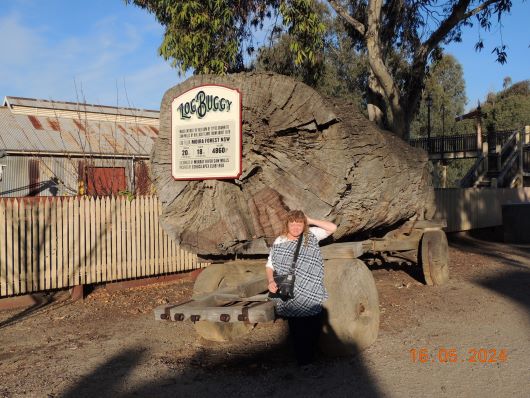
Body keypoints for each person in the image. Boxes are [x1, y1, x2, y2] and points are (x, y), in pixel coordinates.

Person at [265, 210, 337, 367]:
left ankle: (310, 354)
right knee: (297, 328)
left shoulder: (311, 235)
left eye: (300, 223)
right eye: (293, 223)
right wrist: (270, 280)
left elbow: (332, 228)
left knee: (314, 324)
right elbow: (270, 264)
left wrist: (310, 219)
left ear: (304, 225)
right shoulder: (279, 241)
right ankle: (303, 361)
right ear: (287, 224)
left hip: (311, 288)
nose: (296, 227)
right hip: (290, 290)